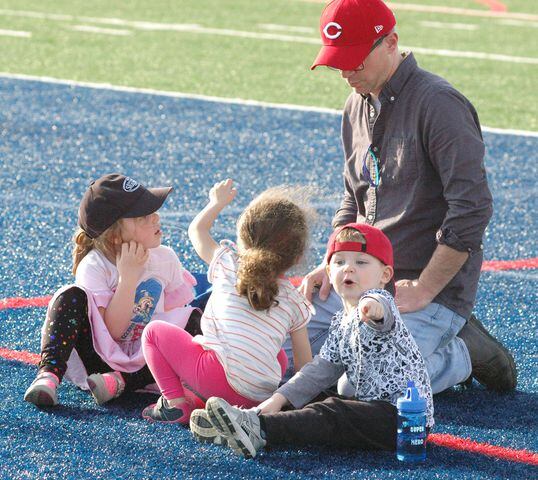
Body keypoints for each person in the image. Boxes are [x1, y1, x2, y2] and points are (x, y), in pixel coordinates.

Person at [284, 0, 516, 393]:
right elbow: (352, 197)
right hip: (363, 276)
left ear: (391, 42)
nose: (345, 73)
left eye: (355, 60)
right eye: (337, 61)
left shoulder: (440, 104)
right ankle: (424, 345)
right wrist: (334, 262)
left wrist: (425, 288)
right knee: (283, 353)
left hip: (426, 286)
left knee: (363, 384)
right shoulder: (355, 105)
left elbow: (472, 209)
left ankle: (461, 351)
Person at [190, 223, 434, 458]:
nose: (348, 269)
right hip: (369, 410)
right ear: (329, 272)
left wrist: (372, 308)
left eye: (360, 262)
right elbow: (316, 372)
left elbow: (383, 309)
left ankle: (260, 429)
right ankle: (245, 422)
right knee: (310, 395)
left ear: (385, 274)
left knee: (332, 411)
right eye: (339, 262)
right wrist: (275, 401)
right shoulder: (340, 322)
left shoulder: (379, 299)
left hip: (404, 421)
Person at [140, 179, 314, 425]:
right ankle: (208, 402)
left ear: (243, 238)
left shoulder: (228, 264)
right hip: (259, 399)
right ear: (296, 257)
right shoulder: (295, 301)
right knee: (279, 358)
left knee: (153, 333)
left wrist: (216, 203)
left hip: (213, 376)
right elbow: (304, 367)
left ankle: (174, 404)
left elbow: (197, 231)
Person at [24, 173, 200, 407]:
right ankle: (49, 375)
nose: (156, 218)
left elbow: (174, 319)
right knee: (70, 296)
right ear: (116, 236)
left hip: (144, 359)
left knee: (195, 318)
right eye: (144, 216)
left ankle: (122, 381)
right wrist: (128, 278)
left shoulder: (165, 258)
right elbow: (114, 332)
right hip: (98, 359)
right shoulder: (94, 265)